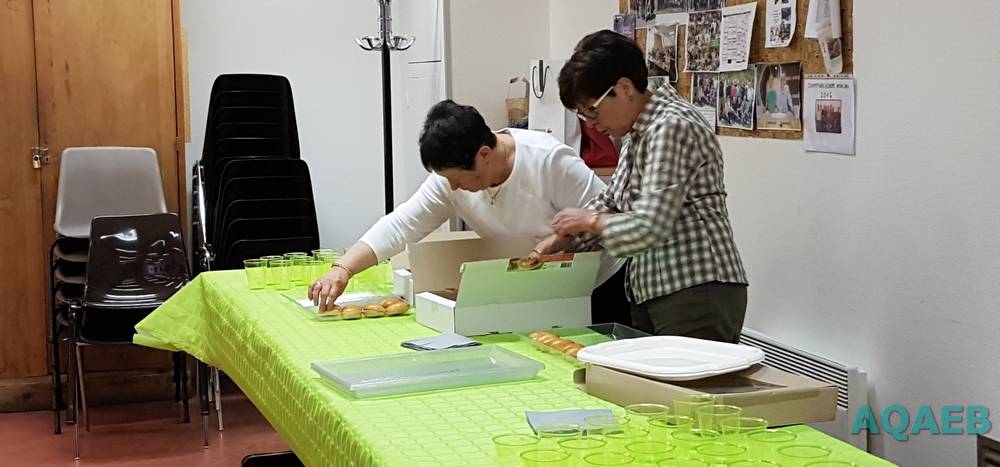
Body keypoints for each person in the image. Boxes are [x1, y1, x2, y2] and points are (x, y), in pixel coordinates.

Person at [308, 99, 630, 325]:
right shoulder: (450, 181)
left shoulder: (550, 162)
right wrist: (343, 269)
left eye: (459, 179)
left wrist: (558, 243)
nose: (454, 188)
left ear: (484, 154)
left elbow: (609, 221)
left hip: (600, 286)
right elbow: (401, 225)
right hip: (535, 290)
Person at [538, 30, 748, 343]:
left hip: (694, 290)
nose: (590, 123)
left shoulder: (671, 126)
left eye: (592, 110)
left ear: (624, 88)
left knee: (686, 378)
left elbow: (650, 225)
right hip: (655, 289)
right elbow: (613, 201)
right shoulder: (638, 131)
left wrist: (589, 221)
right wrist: (563, 239)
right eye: (583, 115)